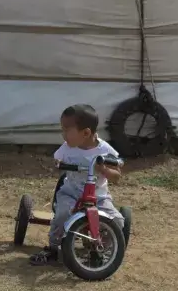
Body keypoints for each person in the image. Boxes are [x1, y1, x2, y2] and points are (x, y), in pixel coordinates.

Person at [29, 103, 125, 266]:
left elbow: (117, 176)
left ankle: (100, 249)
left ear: (86, 132)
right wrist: (58, 164)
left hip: (98, 197)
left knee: (117, 220)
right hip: (71, 193)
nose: (63, 135)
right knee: (63, 214)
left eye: (66, 130)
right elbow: (57, 160)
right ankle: (53, 248)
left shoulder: (104, 150)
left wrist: (104, 170)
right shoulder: (67, 148)